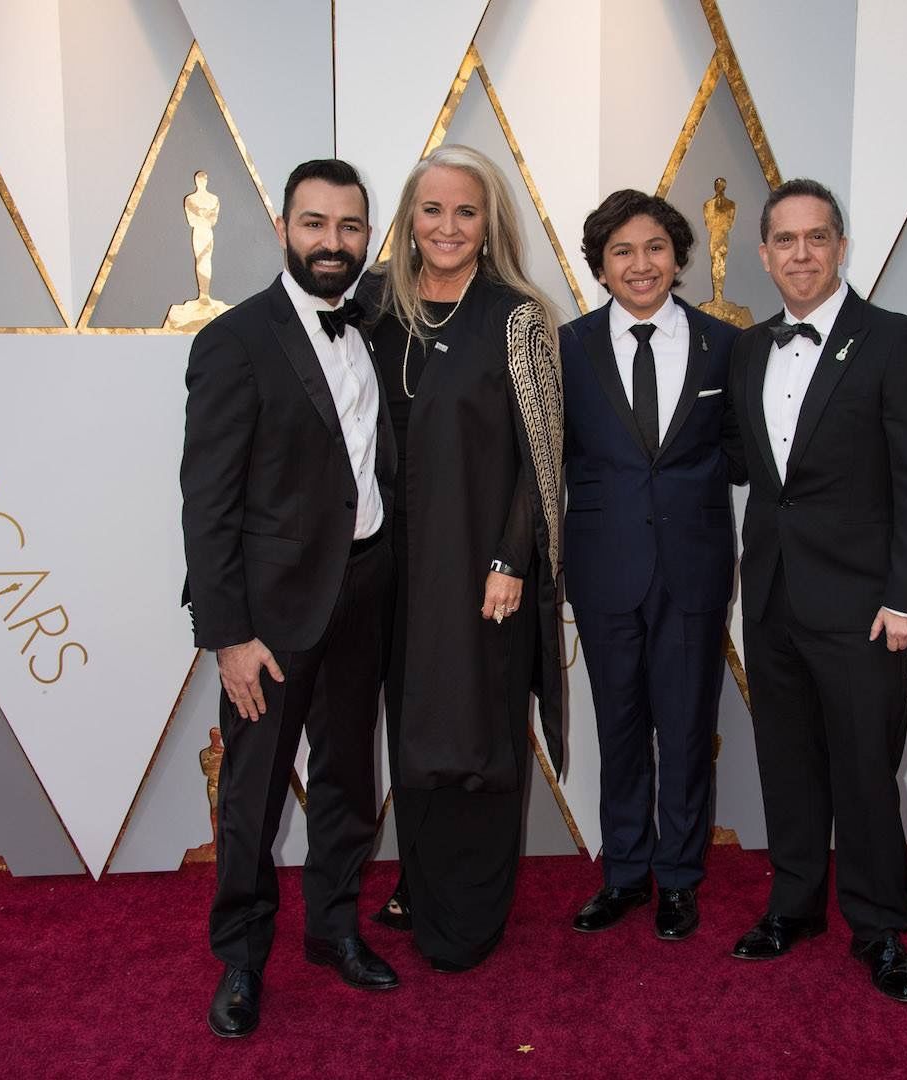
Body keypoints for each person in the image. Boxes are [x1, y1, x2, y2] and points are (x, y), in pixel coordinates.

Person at [181, 158, 399, 1040]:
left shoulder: (380, 328)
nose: (332, 244)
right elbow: (207, 501)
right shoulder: (232, 340)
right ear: (283, 227)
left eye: (349, 228)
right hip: (269, 618)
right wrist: (227, 635)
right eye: (315, 225)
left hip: (370, 586)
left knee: (350, 777)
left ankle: (335, 930)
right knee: (255, 794)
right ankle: (239, 959)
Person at [725, 179, 907, 1004]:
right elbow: (749, 471)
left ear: (842, 247)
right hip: (774, 599)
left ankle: (879, 926)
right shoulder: (749, 350)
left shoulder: (898, 343)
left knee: (863, 771)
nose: (800, 254)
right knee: (786, 765)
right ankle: (795, 907)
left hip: (864, 608)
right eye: (784, 240)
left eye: (817, 238)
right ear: (762, 254)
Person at [358, 144, 564, 973]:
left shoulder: (517, 316)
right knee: (411, 728)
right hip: (383, 567)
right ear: (409, 218)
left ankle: (469, 912)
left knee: (475, 735)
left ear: (489, 225)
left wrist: (512, 559)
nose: (447, 226)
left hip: (480, 571)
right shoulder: (371, 305)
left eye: (465, 211)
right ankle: (419, 880)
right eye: (432, 209)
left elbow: (543, 457)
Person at [557, 190, 741, 940]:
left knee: (689, 726)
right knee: (620, 725)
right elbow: (553, 458)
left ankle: (680, 878)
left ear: (679, 257)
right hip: (604, 566)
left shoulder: (723, 345)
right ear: (600, 266)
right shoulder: (565, 347)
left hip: (693, 567)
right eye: (622, 252)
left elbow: (738, 449)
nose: (641, 265)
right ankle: (626, 873)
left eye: (655, 248)